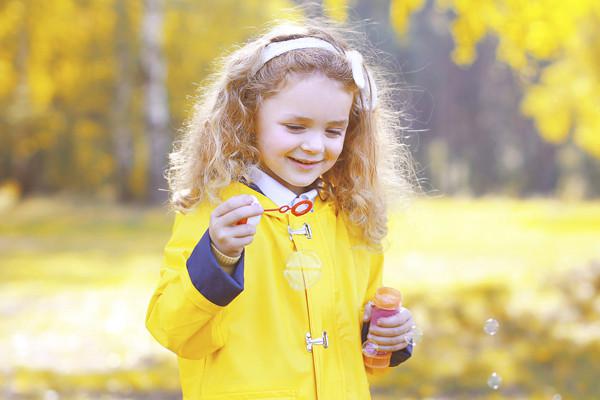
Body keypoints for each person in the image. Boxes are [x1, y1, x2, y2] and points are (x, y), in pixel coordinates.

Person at [146, 19, 417, 399]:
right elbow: (173, 329)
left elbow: (361, 346)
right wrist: (218, 256)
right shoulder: (218, 212)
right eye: (294, 126)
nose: (313, 145)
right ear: (248, 117)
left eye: (333, 131)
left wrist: (389, 337)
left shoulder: (351, 214)